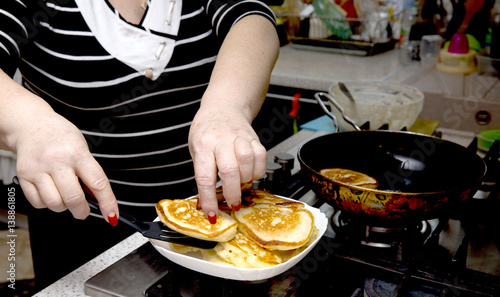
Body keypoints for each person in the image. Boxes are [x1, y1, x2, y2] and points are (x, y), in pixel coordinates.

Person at [0, 0, 279, 291]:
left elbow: (252, 17)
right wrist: (29, 123)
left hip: (206, 225)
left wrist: (226, 107)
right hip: (81, 228)